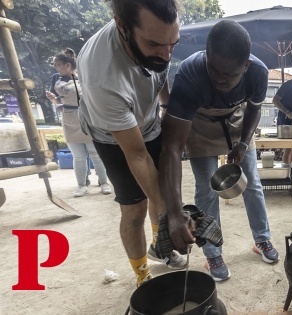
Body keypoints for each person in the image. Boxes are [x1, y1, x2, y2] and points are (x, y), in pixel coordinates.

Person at [160, 20, 280, 282]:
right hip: (199, 125)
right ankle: (212, 253)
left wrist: (243, 144)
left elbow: (254, 109)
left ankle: (262, 239)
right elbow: (171, 145)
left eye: (229, 75)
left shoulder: (258, 73)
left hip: (236, 122)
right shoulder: (190, 73)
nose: (219, 79)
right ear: (207, 55)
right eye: (214, 70)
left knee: (253, 184)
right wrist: (174, 211)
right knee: (206, 188)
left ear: (245, 66)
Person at [77, 0, 187, 286]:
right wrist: (172, 214)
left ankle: (160, 247)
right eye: (154, 45)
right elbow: (137, 156)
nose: (165, 55)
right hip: (113, 136)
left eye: (173, 44)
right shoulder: (101, 77)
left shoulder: (159, 35)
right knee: (136, 206)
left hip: (149, 121)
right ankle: (142, 275)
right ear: (122, 26)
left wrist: (168, 107)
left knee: (161, 191)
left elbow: (160, 70)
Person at [45, 48, 111, 197]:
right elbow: (59, 100)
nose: (56, 68)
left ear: (68, 65)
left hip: (87, 116)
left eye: (58, 65)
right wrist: (53, 99)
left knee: (95, 153)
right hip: (69, 117)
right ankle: (81, 185)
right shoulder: (56, 78)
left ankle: (104, 182)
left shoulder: (83, 76)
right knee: (78, 155)